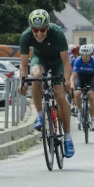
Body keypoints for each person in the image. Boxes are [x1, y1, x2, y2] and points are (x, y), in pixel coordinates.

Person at [18, 9, 74, 158]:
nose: (39, 33)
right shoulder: (26, 36)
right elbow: (23, 64)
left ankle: (68, 138)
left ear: (48, 27)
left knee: (60, 96)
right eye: (35, 30)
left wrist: (67, 81)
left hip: (58, 62)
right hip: (40, 59)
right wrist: (23, 82)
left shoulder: (57, 33)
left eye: (42, 29)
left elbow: (66, 62)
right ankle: (41, 114)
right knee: (35, 76)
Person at [71, 45, 94, 131]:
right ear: (81, 55)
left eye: (87, 55)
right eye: (83, 55)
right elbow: (74, 75)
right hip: (81, 78)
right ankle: (79, 111)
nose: (85, 57)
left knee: (91, 96)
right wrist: (72, 84)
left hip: (91, 79)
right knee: (77, 93)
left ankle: (93, 120)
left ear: (90, 55)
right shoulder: (78, 60)